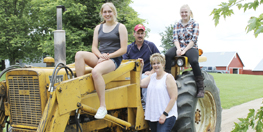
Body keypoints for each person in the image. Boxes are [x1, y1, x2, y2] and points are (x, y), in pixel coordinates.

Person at [74, 2, 128, 119]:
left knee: (95, 72)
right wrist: (100, 56)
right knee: (79, 55)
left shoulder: (121, 27)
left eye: (109, 11)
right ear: (102, 13)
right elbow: (94, 47)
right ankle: (80, 91)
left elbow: (124, 49)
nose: (107, 14)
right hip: (100, 56)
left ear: (114, 12)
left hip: (113, 58)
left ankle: (102, 107)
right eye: (105, 12)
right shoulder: (98, 27)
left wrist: (108, 56)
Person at [165, 4, 204, 98]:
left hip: (191, 47)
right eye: (182, 12)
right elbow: (175, 39)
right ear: (180, 13)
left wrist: (184, 50)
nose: (184, 14)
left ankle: (201, 87)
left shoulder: (195, 23)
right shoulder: (176, 25)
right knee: (167, 55)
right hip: (180, 46)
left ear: (189, 12)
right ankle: (168, 81)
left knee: (194, 61)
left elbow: (193, 40)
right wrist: (178, 49)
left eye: (186, 12)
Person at [122, 24, 160, 109]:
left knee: (144, 79)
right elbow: (124, 63)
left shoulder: (150, 46)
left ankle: (147, 106)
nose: (140, 35)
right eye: (138, 33)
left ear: (144, 34)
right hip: (131, 74)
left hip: (147, 73)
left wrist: (152, 72)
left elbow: (159, 60)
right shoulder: (129, 48)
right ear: (134, 34)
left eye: (141, 33)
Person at [139, 53, 178, 132]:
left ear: (163, 64)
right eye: (153, 64)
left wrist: (164, 114)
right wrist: (141, 68)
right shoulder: (152, 77)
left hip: (167, 115)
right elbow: (139, 83)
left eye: (158, 63)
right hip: (153, 115)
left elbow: (174, 97)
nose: (156, 65)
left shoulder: (168, 77)